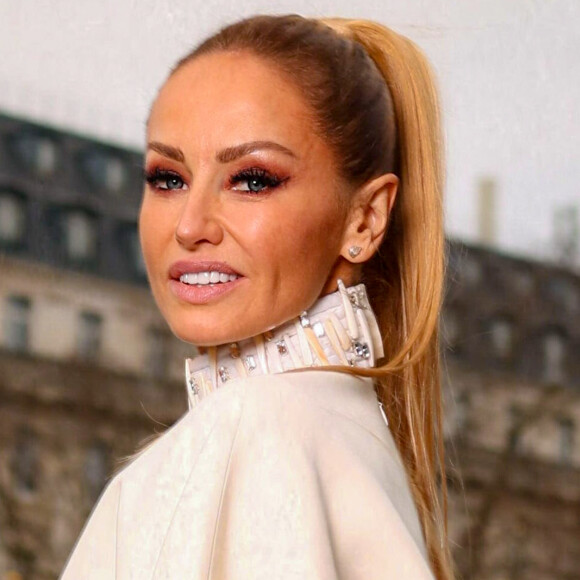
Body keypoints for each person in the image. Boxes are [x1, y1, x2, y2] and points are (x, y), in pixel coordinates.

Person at [61, 14, 454, 580]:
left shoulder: (257, 429)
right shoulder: (347, 437)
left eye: (252, 179)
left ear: (365, 219)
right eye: (168, 178)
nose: (190, 225)